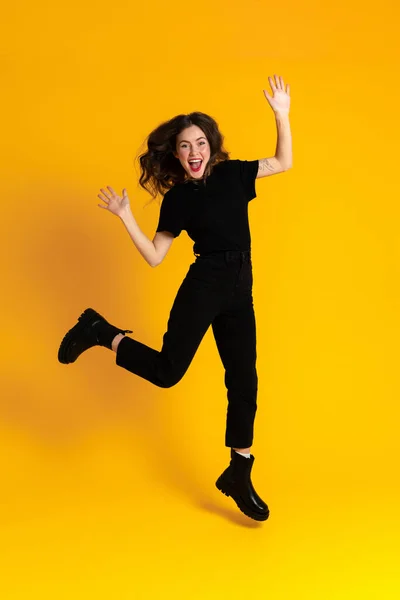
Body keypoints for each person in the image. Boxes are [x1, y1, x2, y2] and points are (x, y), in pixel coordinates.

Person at [58, 75, 292, 522]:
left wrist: (281, 112)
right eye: (185, 146)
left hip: (241, 285)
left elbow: (283, 161)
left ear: (211, 146)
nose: (194, 153)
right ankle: (100, 331)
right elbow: (154, 257)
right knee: (168, 373)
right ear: (175, 154)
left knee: (245, 380)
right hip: (204, 285)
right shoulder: (178, 199)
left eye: (200, 143)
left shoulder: (233, 174)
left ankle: (239, 470)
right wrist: (126, 216)